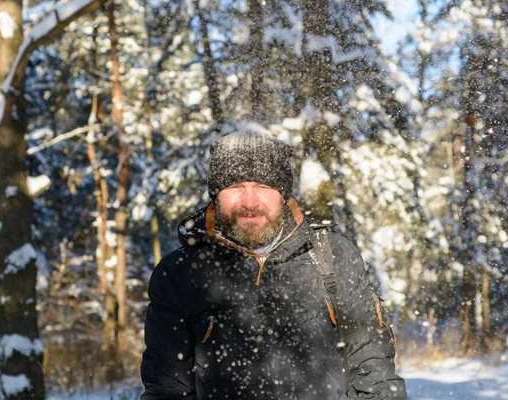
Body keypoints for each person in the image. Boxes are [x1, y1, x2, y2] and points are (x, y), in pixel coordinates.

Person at [140, 131, 407, 399]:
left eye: (263, 187)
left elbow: (373, 369)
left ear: (283, 194)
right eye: (234, 187)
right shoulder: (180, 272)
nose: (249, 202)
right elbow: (167, 389)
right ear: (216, 195)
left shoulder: (333, 255)